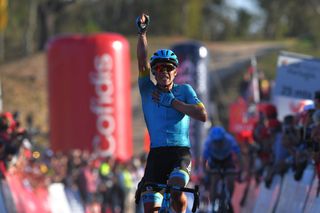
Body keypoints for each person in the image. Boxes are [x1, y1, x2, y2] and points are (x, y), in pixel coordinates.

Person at [135, 13, 208, 213]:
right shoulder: (147, 90)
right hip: (156, 154)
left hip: (179, 152)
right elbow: (142, 61)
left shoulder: (185, 91)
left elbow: (202, 115)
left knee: (176, 190)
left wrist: (173, 102)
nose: (164, 71)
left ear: (176, 72)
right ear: (154, 72)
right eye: (159, 68)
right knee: (149, 207)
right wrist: (142, 33)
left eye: (169, 68)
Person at [202, 126, 242, 211]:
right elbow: (204, 159)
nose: (218, 143)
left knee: (231, 179)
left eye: (220, 141)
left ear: (224, 138)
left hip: (227, 160)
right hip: (214, 161)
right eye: (216, 142)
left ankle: (228, 199)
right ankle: (213, 203)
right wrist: (206, 172)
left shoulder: (230, 140)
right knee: (214, 180)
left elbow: (238, 154)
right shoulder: (208, 142)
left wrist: (239, 169)